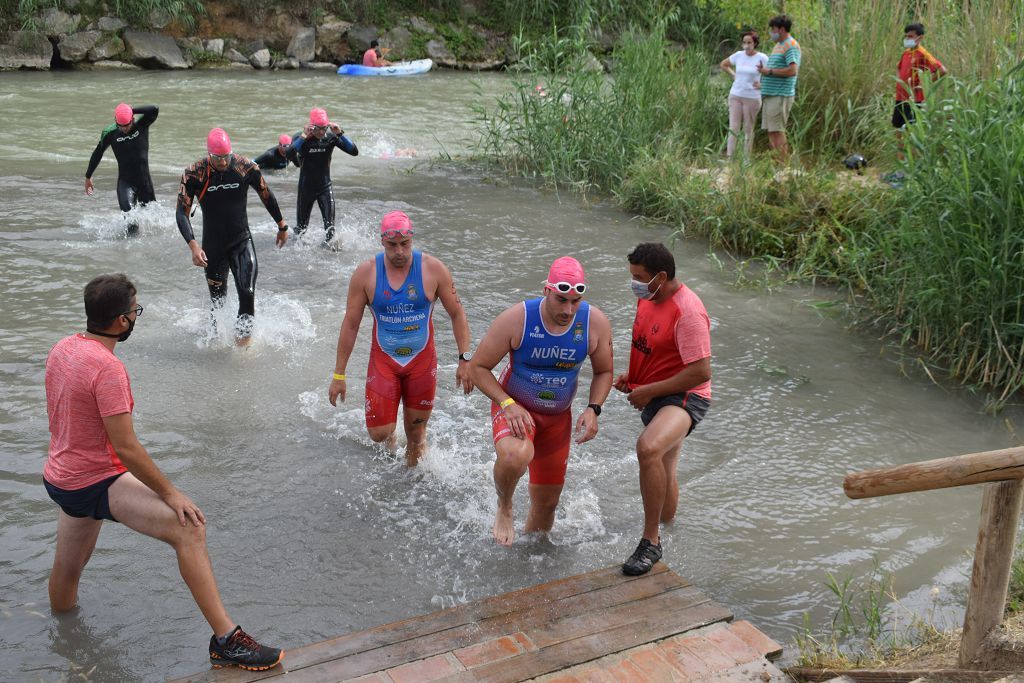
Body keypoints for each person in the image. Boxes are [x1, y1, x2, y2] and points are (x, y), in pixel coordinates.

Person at [43, 274, 283, 670]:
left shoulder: (63, 348)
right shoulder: (107, 369)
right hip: (94, 480)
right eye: (135, 311)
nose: (136, 317)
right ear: (122, 320)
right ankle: (226, 640)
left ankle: (62, 641)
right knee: (188, 528)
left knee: (67, 572)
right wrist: (172, 494)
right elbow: (125, 447)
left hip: (61, 478)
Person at [469, 257, 613, 546]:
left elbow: (605, 371)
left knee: (545, 513)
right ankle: (505, 506)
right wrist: (507, 404)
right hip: (516, 408)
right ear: (546, 290)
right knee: (514, 455)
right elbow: (477, 368)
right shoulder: (517, 319)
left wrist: (593, 408)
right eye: (561, 300)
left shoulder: (593, 322)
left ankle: (527, 571)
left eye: (576, 301)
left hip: (558, 419)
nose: (568, 310)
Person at [328, 211, 473, 466]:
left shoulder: (433, 269)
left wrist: (465, 359)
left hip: (421, 362)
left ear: (412, 239)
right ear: (382, 242)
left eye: (405, 244)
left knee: (416, 436)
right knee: (379, 433)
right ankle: (391, 433)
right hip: (385, 361)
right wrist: (339, 375)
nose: (399, 251)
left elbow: (457, 313)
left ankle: (409, 489)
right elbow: (350, 325)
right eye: (392, 245)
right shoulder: (366, 274)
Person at [614, 243, 711, 576]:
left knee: (649, 448)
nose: (635, 285)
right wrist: (635, 379)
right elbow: (649, 344)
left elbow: (700, 372)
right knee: (666, 465)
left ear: (662, 276)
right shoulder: (647, 299)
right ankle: (669, 529)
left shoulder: (688, 312)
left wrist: (650, 390)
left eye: (640, 278)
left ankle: (650, 541)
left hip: (686, 395)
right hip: (656, 392)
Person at [175, 128, 288, 346]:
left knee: (247, 291)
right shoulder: (194, 173)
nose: (223, 163)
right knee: (218, 301)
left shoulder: (245, 167)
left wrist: (282, 225)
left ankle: (242, 348)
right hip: (213, 246)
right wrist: (193, 246)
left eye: (226, 157)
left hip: (241, 240)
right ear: (210, 155)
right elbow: (182, 212)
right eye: (218, 158)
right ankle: (216, 348)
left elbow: (266, 194)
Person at [84, 103, 159, 236]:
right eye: (121, 126)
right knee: (130, 222)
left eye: (127, 125)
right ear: (115, 121)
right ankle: (129, 252)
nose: (124, 129)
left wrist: (131, 110)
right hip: (125, 183)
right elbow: (98, 152)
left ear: (132, 119)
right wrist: (88, 177)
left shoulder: (141, 125)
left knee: (154, 223)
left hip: (145, 183)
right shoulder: (110, 133)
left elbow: (154, 109)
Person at [290, 107, 358, 246]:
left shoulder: (331, 138)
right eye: (318, 128)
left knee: (330, 230)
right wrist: (303, 136)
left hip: (325, 187)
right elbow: (289, 154)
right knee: (301, 230)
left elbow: (354, 151)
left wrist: (340, 133)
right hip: (306, 188)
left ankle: (327, 256)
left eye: (324, 128)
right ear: (311, 126)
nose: (321, 132)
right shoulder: (301, 137)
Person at [893, 23, 947, 160]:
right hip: (900, 97)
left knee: (911, 133)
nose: (907, 39)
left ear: (920, 38)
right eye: (906, 36)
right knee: (899, 131)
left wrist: (923, 85)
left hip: (914, 100)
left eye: (910, 36)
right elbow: (899, 68)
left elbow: (942, 71)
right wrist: (900, 82)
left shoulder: (923, 54)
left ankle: (910, 170)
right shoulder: (906, 53)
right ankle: (900, 169)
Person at [757, 15, 801, 161]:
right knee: (771, 131)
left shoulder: (791, 45)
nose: (771, 32)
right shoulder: (778, 45)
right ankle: (776, 165)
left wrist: (769, 71)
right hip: (770, 95)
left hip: (780, 95)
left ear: (782, 29)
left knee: (778, 131)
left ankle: (784, 167)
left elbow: (792, 70)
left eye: (773, 29)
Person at [720, 31, 769, 159]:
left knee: (748, 128)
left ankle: (746, 160)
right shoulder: (738, 55)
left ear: (755, 43)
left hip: (752, 97)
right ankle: (730, 158)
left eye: (749, 42)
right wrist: (733, 75)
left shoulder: (762, 58)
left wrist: (763, 85)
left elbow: (771, 74)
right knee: (733, 127)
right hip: (736, 94)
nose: (746, 45)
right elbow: (724, 64)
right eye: (744, 42)